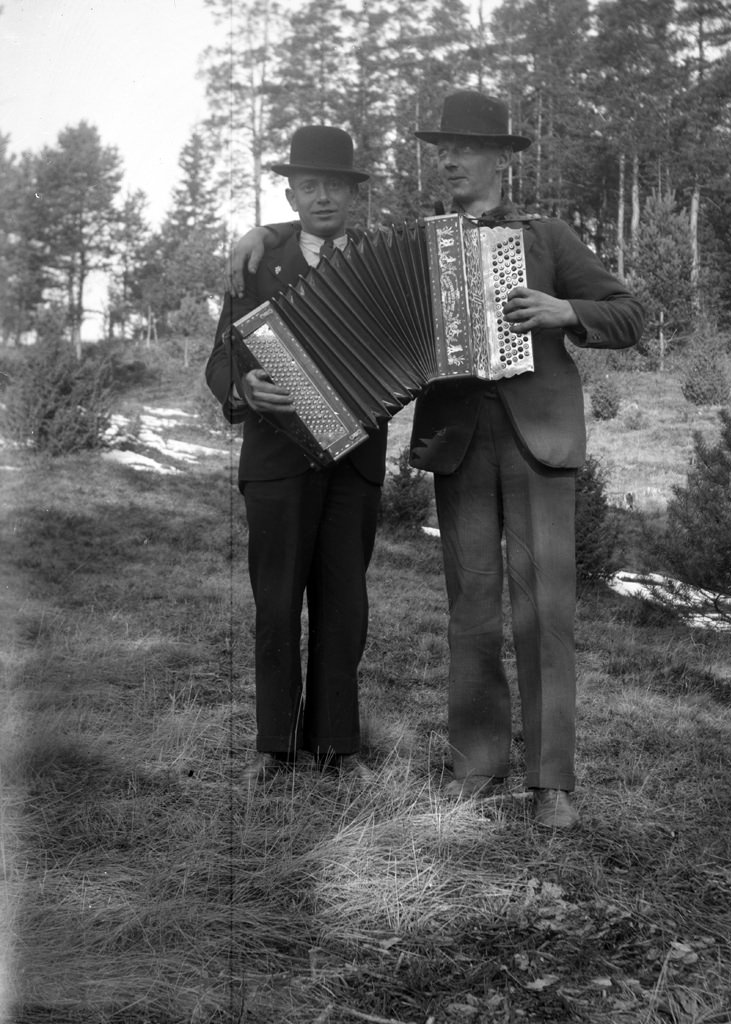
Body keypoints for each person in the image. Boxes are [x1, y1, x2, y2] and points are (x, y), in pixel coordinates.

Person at [227, 93, 645, 825]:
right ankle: (478, 771)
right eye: (439, 149)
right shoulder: (423, 242)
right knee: (471, 615)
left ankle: (552, 785)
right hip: (457, 446)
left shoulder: (546, 236)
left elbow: (630, 314)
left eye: (463, 148)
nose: (447, 160)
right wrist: (260, 232)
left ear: (501, 160)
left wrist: (565, 312)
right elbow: (332, 249)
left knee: (544, 613)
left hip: (538, 442)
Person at [206, 126, 386, 782]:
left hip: (354, 463)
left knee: (344, 604)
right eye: (309, 186)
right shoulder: (257, 260)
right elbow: (220, 355)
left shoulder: (379, 261)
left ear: (353, 195)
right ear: (289, 194)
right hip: (276, 458)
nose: (322, 198)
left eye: (334, 186)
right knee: (276, 603)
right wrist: (242, 387)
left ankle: (339, 745)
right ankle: (273, 745)